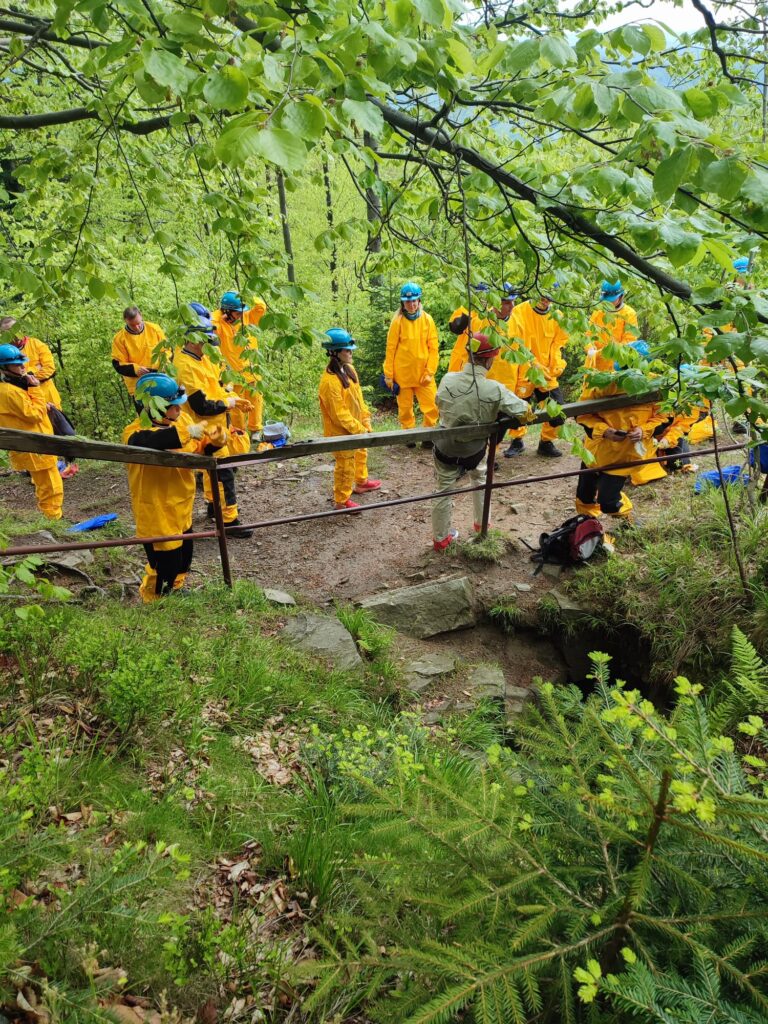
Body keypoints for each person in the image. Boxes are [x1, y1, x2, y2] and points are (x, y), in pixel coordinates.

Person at [124, 373, 227, 602]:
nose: (179, 412)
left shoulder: (179, 423)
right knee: (164, 558)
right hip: (156, 509)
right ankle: (154, 597)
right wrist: (188, 432)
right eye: (174, 407)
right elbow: (159, 441)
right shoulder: (134, 434)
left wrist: (214, 441)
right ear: (154, 407)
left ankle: (176, 589)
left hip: (181, 503)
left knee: (183, 554)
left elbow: (195, 451)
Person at [432, 333, 530, 551]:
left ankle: (440, 539)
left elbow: (438, 402)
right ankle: (481, 524)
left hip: (445, 447)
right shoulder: (494, 389)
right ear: (490, 359)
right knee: (480, 479)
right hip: (474, 450)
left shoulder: (448, 379)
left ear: (468, 355)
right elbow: (525, 411)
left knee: (443, 490)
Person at [173, 303, 253, 538]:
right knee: (223, 473)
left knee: (214, 472)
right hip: (205, 426)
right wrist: (226, 403)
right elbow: (201, 405)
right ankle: (229, 521)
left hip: (217, 423)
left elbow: (214, 387)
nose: (209, 345)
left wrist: (232, 397)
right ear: (194, 338)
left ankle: (212, 505)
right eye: (205, 340)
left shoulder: (201, 357)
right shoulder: (185, 367)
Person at [575, 340, 667, 524]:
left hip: (624, 455)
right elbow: (582, 414)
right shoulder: (601, 383)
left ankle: (628, 518)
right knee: (585, 494)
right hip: (595, 450)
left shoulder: (654, 383)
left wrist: (644, 430)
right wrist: (605, 431)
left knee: (608, 501)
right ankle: (587, 520)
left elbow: (665, 417)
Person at [0, 316, 78, 478]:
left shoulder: (37, 344)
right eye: (8, 332)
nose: (13, 336)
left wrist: (26, 376)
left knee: (58, 433)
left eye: (15, 330)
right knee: (34, 434)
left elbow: (49, 369)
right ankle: (38, 471)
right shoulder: (5, 354)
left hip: (48, 397)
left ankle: (62, 466)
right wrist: (31, 375)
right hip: (27, 402)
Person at [318, 329, 381, 512]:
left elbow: (358, 400)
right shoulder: (329, 382)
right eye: (347, 350)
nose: (351, 353)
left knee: (361, 453)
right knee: (345, 465)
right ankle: (341, 500)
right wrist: (358, 429)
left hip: (356, 427)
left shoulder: (349, 370)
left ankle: (361, 481)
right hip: (340, 432)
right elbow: (340, 415)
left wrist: (365, 421)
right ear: (335, 352)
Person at [0, 344, 63, 519]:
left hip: (34, 443)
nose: (22, 367)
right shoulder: (10, 392)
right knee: (50, 485)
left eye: (22, 362)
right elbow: (33, 414)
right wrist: (36, 389)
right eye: (17, 364)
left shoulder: (13, 386)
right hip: (34, 446)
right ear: (4, 367)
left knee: (45, 483)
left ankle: (51, 515)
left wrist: (42, 404)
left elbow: (26, 410)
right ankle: (53, 518)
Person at [505, 287, 569, 457]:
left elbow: (558, 342)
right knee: (518, 409)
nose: (545, 300)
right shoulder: (519, 312)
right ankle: (517, 441)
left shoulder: (557, 315)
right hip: (524, 371)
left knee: (557, 410)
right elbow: (515, 343)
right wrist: (533, 363)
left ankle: (546, 442)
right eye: (542, 296)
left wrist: (557, 362)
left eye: (549, 297)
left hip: (547, 373)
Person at [383, 282, 439, 444]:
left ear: (419, 301)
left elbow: (433, 348)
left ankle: (428, 434)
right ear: (403, 303)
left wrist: (430, 372)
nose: (412, 304)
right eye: (408, 301)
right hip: (403, 374)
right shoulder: (398, 321)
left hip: (424, 374)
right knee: (405, 408)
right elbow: (390, 349)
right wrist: (389, 375)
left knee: (431, 405)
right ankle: (408, 434)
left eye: (415, 300)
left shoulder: (428, 320)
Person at [212, 291, 267, 439]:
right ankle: (239, 432)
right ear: (227, 311)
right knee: (236, 404)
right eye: (236, 313)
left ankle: (255, 430)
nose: (239, 316)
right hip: (233, 373)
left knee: (256, 400)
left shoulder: (247, 317)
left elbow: (261, 307)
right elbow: (209, 323)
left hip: (251, 369)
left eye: (240, 312)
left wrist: (245, 295)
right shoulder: (219, 324)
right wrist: (221, 315)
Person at [111, 306, 168, 407]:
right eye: (132, 325)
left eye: (138, 323)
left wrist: (165, 362)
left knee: (166, 414)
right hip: (139, 386)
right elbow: (118, 364)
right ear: (125, 321)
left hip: (160, 378)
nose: (137, 327)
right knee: (146, 417)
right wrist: (135, 369)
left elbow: (167, 349)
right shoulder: (119, 339)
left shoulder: (154, 329)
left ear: (141, 316)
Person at [585, 280, 638, 373]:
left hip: (615, 367)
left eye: (612, 300)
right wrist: (589, 347)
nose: (609, 303)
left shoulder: (629, 314)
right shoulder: (599, 311)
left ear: (621, 296)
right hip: (594, 365)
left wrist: (601, 353)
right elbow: (588, 333)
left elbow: (629, 342)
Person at [446, 283, 492, 374]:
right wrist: (470, 310)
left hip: (483, 366)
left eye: (485, 295)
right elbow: (456, 328)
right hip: (461, 364)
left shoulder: (492, 314)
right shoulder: (466, 309)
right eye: (479, 295)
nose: (482, 299)